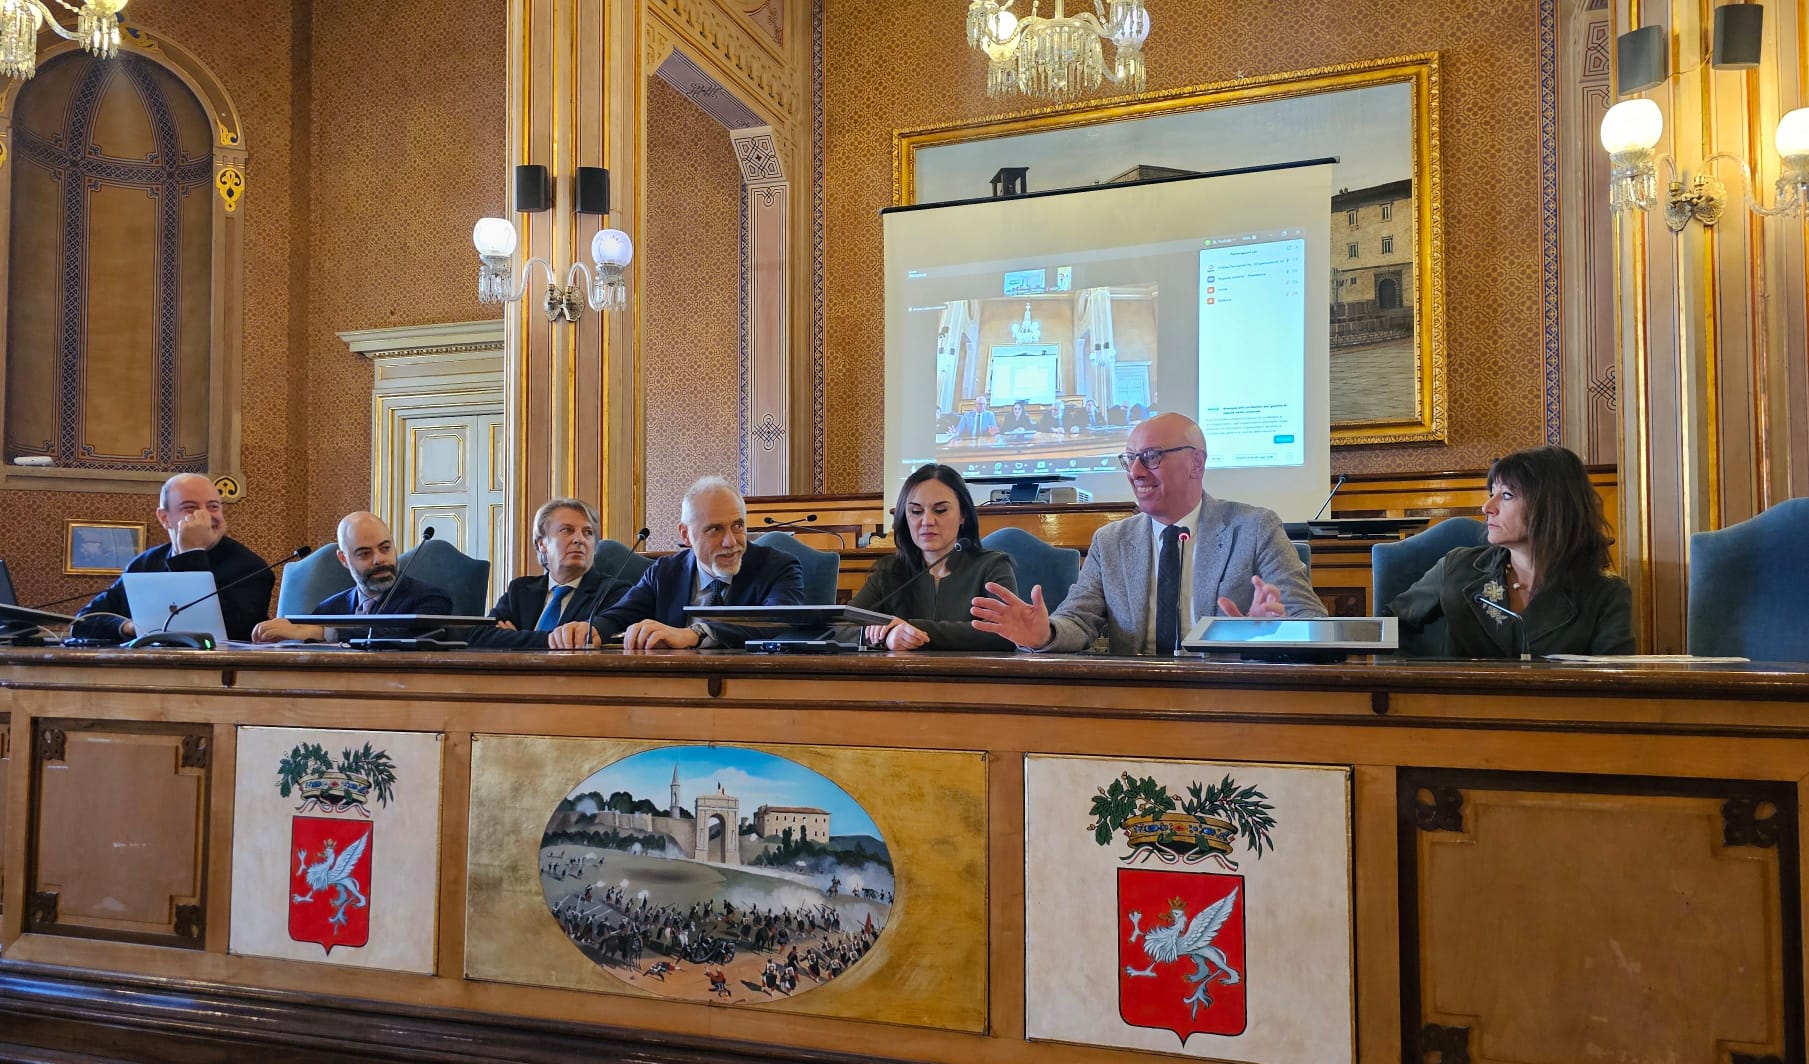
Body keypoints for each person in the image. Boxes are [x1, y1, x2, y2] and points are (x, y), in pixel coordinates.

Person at [971, 412, 1323, 654]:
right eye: (1130, 459)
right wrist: (1044, 634)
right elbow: (1077, 619)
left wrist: (1274, 633)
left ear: (1196, 463)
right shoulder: (1111, 542)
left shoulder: (1254, 528)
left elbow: (1311, 620)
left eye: (1151, 457)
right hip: (1139, 699)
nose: (1136, 471)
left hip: (1231, 697)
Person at [1387, 445, 1633, 657]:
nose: (1487, 507)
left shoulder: (1606, 594)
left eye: (1506, 495)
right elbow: (1387, 626)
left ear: (1551, 506)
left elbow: (1614, 690)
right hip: (1459, 709)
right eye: (1491, 494)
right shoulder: (1457, 567)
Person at [547, 477, 803, 650]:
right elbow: (621, 614)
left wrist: (694, 634)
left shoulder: (777, 567)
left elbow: (779, 621)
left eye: (738, 526)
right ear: (685, 535)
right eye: (715, 529)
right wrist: (591, 629)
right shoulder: (665, 572)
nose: (731, 541)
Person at [74, 473, 273, 642]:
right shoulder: (144, 564)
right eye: (190, 508)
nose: (205, 516)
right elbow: (82, 622)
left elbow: (230, 631)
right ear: (164, 518)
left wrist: (192, 554)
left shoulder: (251, 567)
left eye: (213, 506)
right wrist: (129, 627)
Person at [844, 464, 1017, 651]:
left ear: (963, 515)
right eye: (916, 512)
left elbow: (1005, 633)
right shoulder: (889, 570)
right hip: (900, 678)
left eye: (940, 510)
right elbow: (838, 628)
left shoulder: (992, 566)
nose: (927, 521)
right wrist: (885, 638)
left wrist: (911, 630)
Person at [250, 512, 451, 643]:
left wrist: (322, 633)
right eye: (364, 553)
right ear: (343, 559)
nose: (379, 560)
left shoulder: (430, 600)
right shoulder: (328, 610)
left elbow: (400, 637)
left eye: (385, 548)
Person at [472, 498, 636, 649]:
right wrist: (551, 640)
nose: (579, 539)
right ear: (542, 543)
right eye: (567, 530)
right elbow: (478, 636)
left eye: (588, 533)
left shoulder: (613, 592)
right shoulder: (520, 590)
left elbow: (585, 642)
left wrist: (515, 639)